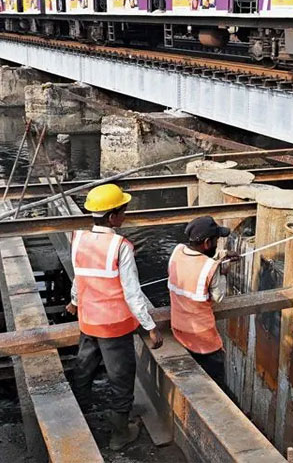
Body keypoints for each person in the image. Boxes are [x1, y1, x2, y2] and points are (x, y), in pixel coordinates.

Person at [65, 184, 163, 450]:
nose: (125, 215)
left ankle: (80, 415)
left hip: (88, 321)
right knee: (121, 378)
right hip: (115, 327)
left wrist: (74, 302)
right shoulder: (121, 246)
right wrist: (150, 327)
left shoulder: (78, 239)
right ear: (112, 217)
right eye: (122, 210)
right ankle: (120, 433)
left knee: (84, 368)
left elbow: (80, 276)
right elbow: (133, 293)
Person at [167, 216, 234, 389]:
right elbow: (219, 297)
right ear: (206, 243)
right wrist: (223, 271)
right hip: (204, 339)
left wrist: (220, 257)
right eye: (216, 241)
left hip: (180, 330)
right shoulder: (209, 267)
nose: (217, 244)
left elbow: (194, 264)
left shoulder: (177, 252)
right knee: (215, 386)